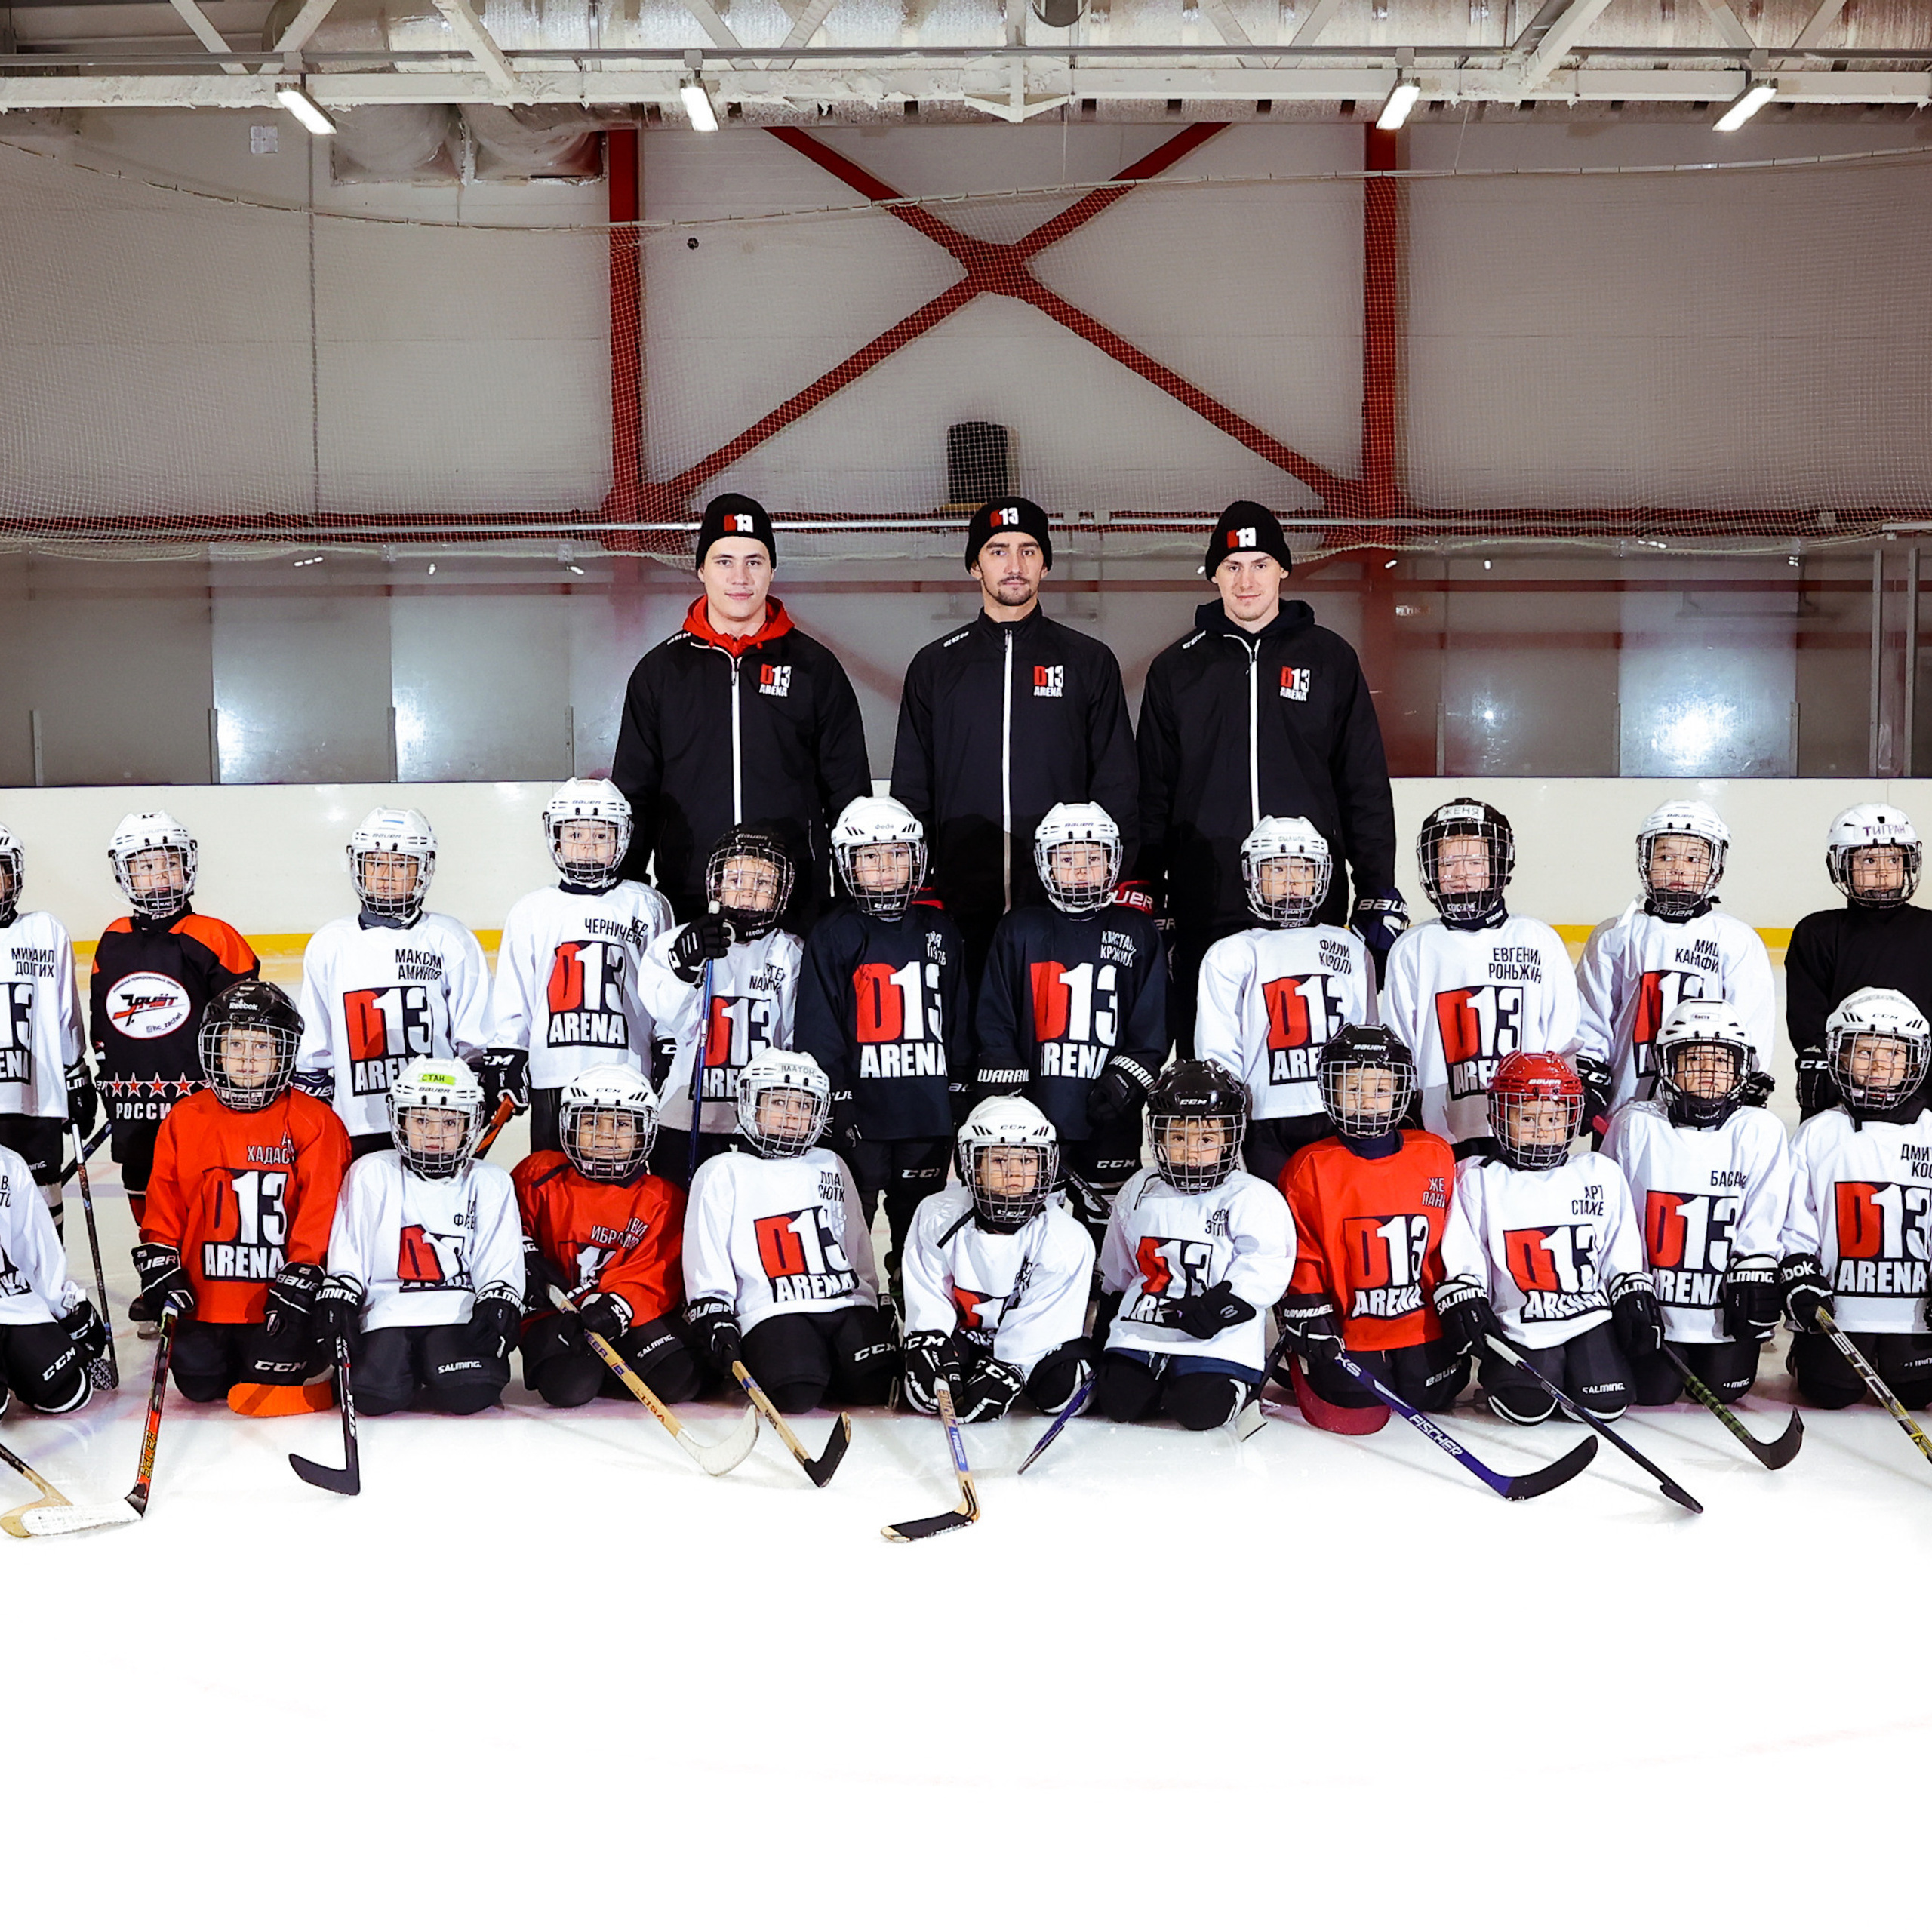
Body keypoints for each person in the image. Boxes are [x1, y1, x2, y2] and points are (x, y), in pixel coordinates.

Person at [1137, 500, 1403, 1051]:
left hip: (1308, 898)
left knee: (1311, 1061)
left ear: (1283, 568)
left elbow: (1363, 781)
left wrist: (1376, 884)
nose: (1246, 580)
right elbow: (1153, 791)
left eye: (1259, 563)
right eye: (1232, 566)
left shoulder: (1330, 658)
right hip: (1208, 901)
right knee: (1212, 1062)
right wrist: (1149, 890)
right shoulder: (1177, 669)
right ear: (1214, 575)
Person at [890, 496, 1139, 981]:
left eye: (1028, 550)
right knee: (967, 1048)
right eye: (998, 550)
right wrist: (918, 885)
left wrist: (1116, 881)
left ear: (1045, 564)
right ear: (974, 566)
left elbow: (1116, 782)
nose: (1014, 564)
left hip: (1067, 899)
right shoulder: (936, 665)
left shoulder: (1088, 660)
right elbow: (912, 787)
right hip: (959, 906)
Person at [611, 492, 871, 929]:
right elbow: (636, 793)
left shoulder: (815, 668)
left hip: (793, 897)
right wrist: (627, 890)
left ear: (772, 570)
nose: (740, 577)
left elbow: (847, 793)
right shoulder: (660, 672)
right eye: (724, 561)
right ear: (701, 571)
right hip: (690, 898)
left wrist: (848, 902)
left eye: (754, 561)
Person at [131, 981, 352, 1411]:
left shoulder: (315, 1121)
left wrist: (304, 1273)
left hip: (277, 1299)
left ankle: (314, 1358)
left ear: (284, 1054)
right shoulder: (185, 1117)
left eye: (261, 1046)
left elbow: (321, 1209)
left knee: (265, 1376)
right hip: (206, 1297)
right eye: (235, 1045)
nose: (247, 1060)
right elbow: (166, 1201)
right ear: (215, 1050)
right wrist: (161, 1263)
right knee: (198, 1384)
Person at [796, 796, 971, 1295]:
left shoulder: (940, 929)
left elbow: (958, 1014)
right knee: (849, 1224)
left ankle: (914, 1313)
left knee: (919, 1223)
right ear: (847, 863)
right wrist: (837, 1097)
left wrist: (959, 1086)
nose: (885, 867)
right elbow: (819, 1025)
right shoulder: (833, 935)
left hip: (924, 1109)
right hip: (863, 1115)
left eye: (896, 853)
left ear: (916, 858)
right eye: (870, 857)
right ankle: (856, 1313)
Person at [974, 801, 1167, 1251]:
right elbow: (996, 1015)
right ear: (1044, 862)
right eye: (1067, 858)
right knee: (1033, 1224)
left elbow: (1152, 1019)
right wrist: (1009, 1090)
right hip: (1036, 1109)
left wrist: (1127, 1080)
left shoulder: (1137, 931)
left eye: (1093, 857)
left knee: (1111, 1222)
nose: (1081, 870)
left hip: (1109, 1115)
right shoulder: (1018, 929)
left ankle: (1108, 1312)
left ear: (1113, 861)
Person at [1435, 1051, 1660, 1425]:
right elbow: (1465, 1254)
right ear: (1499, 1118)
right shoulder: (1478, 1178)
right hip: (1520, 1323)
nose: (1542, 1128)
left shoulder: (1598, 1172)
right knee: (1527, 1406)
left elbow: (1619, 1248)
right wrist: (1466, 1296)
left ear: (1573, 1118)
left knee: (1605, 1403)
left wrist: (1632, 1290)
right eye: (1527, 1117)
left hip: (1589, 1316)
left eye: (1554, 1117)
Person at [680, 1049, 897, 1415]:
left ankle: (833, 1361)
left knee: (872, 1386)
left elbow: (856, 1244)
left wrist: (869, 1303)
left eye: (804, 1105)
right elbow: (708, 1252)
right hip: (772, 1309)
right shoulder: (724, 1170)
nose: (792, 1115)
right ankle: (808, 1362)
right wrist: (714, 1312)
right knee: (795, 1394)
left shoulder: (831, 1163)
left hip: (843, 1302)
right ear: (752, 1104)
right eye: (779, 1102)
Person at [1601, 1000, 1791, 1409]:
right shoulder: (1635, 1125)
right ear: (1667, 1066)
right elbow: (1611, 1218)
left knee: (1726, 1390)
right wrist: (1626, 1284)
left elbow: (1766, 1214)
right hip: (1655, 1310)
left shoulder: (1759, 1130)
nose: (1708, 1073)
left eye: (1722, 1061)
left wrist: (1755, 1266)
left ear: (1742, 1069)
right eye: (1693, 1059)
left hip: (1721, 1310)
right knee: (1652, 1393)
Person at [312, 1057, 525, 1417]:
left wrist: (499, 1301)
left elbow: (499, 1260)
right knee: (374, 1396)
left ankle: (431, 1368)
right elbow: (350, 1250)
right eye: (421, 1120)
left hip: (456, 1310)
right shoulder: (371, 1172)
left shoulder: (491, 1181)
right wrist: (341, 1297)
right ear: (400, 1120)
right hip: (387, 1310)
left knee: (470, 1394)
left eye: (449, 1121)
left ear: (471, 1123)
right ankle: (412, 1369)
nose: (435, 1134)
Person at [1274, 1026, 1466, 1421]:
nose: (1366, 1103)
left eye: (1380, 1090)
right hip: (1351, 1327)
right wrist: (1308, 1307)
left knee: (1432, 1392)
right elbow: (1302, 1250)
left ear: (1400, 1092)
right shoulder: (1308, 1167)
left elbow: (1455, 1238)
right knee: (1356, 1398)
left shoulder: (1435, 1155)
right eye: (1353, 1089)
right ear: (1330, 1091)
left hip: (1421, 1323)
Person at [1093, 1060, 1293, 1432]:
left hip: (1217, 1334)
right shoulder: (1139, 1188)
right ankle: (1158, 1372)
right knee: (1120, 1402)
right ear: (1158, 1137)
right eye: (1178, 1137)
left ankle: (1220, 1381)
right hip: (1146, 1323)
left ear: (1230, 1138)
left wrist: (1221, 1308)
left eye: (1206, 1139)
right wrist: (1108, 1320)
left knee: (1200, 1410)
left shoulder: (1252, 1196)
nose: (1191, 1151)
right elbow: (1119, 1266)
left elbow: (1265, 1265)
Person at [1381, 798, 1580, 1159]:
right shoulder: (1413, 948)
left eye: (1475, 862)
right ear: (1431, 870)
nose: (1461, 873)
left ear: (1498, 866)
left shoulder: (1537, 939)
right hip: (1441, 1129)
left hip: (1527, 1127)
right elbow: (1400, 1045)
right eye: (1448, 862)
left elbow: (1562, 1041)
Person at [483, 778, 672, 1152]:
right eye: (575, 833)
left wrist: (667, 1043)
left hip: (628, 1073)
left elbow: (665, 987)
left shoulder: (647, 904)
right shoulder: (532, 909)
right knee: (552, 1181)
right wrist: (509, 1053)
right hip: (555, 1072)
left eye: (601, 835)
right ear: (555, 838)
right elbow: (515, 993)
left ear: (622, 839)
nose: (587, 845)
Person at [294, 806, 493, 1159]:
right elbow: (315, 1051)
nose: (386, 875)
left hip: (433, 1120)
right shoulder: (330, 943)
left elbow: (475, 1044)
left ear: (423, 869)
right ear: (359, 867)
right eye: (375, 863)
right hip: (357, 1123)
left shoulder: (450, 939)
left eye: (401, 864)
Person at [90, 809, 257, 1227]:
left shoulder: (216, 937)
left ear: (189, 865)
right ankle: (158, 1276)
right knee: (144, 1188)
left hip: (201, 1106)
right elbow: (102, 1023)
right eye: (146, 866)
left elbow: (248, 1028)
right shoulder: (113, 939)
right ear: (124, 873)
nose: (161, 875)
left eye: (170, 862)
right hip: (133, 1104)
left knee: (205, 1197)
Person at [1194, 815, 1376, 1177]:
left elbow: (1366, 1035)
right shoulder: (1230, 954)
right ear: (1253, 876)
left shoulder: (1350, 947)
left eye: (1302, 869)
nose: (1290, 882)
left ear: (1320, 876)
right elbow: (1217, 1053)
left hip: (1338, 1109)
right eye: (1276, 869)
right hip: (1265, 1114)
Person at [1576, 800, 1775, 1128]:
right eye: (1665, 856)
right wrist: (1590, 1073)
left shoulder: (1736, 939)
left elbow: (1751, 1022)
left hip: (1709, 1106)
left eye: (1694, 858)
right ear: (1646, 861)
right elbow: (1592, 1015)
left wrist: (1748, 1077)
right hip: (1626, 1105)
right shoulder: (1616, 935)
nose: (1679, 868)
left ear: (1715, 866)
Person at [512, 1064, 700, 1411]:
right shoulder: (538, 1174)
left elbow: (657, 1269)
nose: (605, 1136)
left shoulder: (662, 1198)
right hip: (557, 1312)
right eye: (591, 1122)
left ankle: (610, 1365)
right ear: (569, 1125)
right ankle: (596, 1367)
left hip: (619, 1313)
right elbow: (508, 1229)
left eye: (622, 1124)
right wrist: (525, 1258)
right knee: (567, 1389)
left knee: (678, 1379)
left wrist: (620, 1305)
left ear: (645, 1131)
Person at [1780, 988, 1932, 1410]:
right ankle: (1805, 1356)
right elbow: (1796, 1216)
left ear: (1913, 1062)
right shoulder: (1819, 1133)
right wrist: (1798, 1268)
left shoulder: (1930, 1132)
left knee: (1919, 1392)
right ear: (1839, 1058)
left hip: (1915, 1309)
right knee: (1829, 1392)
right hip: (1839, 1307)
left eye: (1893, 1054)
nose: (1880, 1066)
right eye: (1864, 1052)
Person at [900, 1096, 1095, 1423]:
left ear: (1046, 1165)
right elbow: (930, 1293)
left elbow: (1045, 1320)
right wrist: (928, 1341)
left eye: (1026, 1161)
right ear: (971, 1165)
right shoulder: (937, 1215)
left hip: (1030, 1344)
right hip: (967, 1337)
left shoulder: (1066, 1238)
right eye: (999, 1161)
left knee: (1060, 1391)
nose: (1014, 1175)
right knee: (926, 1385)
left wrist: (1011, 1367)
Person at [637, 825, 804, 1186]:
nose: (746, 893)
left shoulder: (791, 953)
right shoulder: (676, 942)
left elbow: (794, 1038)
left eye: (762, 883)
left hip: (762, 1122)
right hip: (685, 1115)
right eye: (736, 879)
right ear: (716, 884)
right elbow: (666, 1015)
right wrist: (686, 968)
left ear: (781, 892)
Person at [1786, 804, 1932, 1120]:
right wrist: (1822, 1068)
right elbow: (1807, 1018)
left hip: (1924, 1097)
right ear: (1842, 866)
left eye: (1894, 859)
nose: (1883, 871)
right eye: (1868, 860)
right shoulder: (1817, 933)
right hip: (1844, 1093)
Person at [0, 823, 92, 1229]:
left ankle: (47, 1291)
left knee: (41, 1212)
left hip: (34, 1101)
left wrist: (76, 1073)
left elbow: (65, 1013)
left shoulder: (46, 931)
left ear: (14, 875)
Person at [0, 1140, 106, 1418]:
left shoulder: (9, 1164)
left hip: (10, 1305)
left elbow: (35, 1249)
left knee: (68, 1391)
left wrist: (66, 1307)